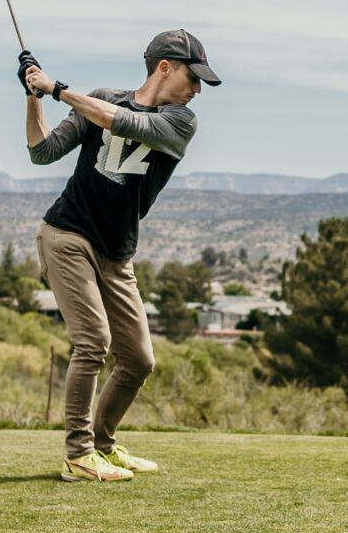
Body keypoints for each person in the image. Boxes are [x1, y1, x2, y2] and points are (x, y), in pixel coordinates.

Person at [21, 30, 221, 482]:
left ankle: (104, 445)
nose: (196, 91)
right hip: (67, 235)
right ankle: (79, 454)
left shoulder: (180, 122)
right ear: (164, 67)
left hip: (117, 252)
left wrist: (57, 89)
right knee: (93, 341)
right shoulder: (102, 99)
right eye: (193, 78)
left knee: (138, 359)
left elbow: (123, 123)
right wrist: (33, 95)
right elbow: (42, 151)